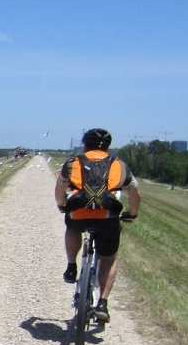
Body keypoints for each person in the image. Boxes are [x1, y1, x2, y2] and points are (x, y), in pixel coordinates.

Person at [54, 128, 140, 322]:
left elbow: (59, 189)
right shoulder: (119, 165)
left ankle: (71, 266)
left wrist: (62, 205)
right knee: (108, 259)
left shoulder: (72, 163)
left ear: (85, 145)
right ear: (108, 147)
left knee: (72, 226)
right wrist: (132, 214)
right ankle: (102, 303)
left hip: (80, 213)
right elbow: (134, 193)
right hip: (108, 217)